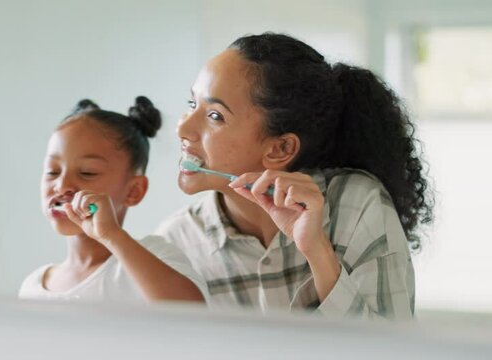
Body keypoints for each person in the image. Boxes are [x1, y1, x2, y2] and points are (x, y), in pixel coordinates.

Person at [157, 33, 433, 319]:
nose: (182, 129)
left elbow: (388, 349)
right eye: (192, 105)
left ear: (280, 149)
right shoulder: (175, 243)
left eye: (215, 115)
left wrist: (317, 251)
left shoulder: (356, 205)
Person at [20, 97, 206, 303]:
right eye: (52, 171)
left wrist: (111, 235)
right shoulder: (32, 286)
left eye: (87, 172)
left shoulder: (155, 257)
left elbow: (192, 311)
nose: (62, 186)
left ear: (133, 191)